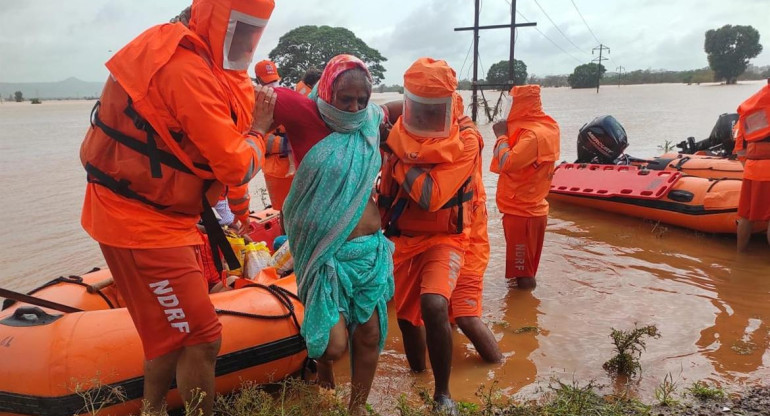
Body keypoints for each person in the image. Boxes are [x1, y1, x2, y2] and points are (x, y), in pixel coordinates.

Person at [79, 0, 275, 414]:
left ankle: (151, 412)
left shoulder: (199, 65)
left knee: (169, 334)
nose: (245, 42)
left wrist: (242, 216)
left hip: (157, 216)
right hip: (140, 222)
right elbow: (236, 163)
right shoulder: (184, 69)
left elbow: (214, 164)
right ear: (211, 21)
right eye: (239, 30)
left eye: (252, 32)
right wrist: (260, 131)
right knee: (203, 336)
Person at [271, 54, 394, 416]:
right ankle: (324, 372)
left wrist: (448, 115)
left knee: (370, 336)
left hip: (369, 252)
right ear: (326, 89)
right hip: (326, 256)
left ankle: (356, 409)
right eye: (346, 99)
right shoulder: (303, 115)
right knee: (333, 346)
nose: (355, 107)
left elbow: (409, 106)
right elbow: (242, 94)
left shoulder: (370, 121)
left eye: (362, 99)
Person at [378, 57, 481, 414]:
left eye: (432, 110)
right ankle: (417, 376)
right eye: (417, 108)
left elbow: (431, 196)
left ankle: (443, 394)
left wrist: (396, 151)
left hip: (445, 237)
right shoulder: (397, 119)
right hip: (402, 239)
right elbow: (375, 113)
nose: (423, 118)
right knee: (407, 321)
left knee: (435, 304)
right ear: (409, 102)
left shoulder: (466, 139)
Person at [490, 85, 560, 290]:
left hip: (522, 212)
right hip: (530, 208)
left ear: (521, 104)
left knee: (524, 274)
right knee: (522, 270)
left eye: (512, 102)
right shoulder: (547, 127)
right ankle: (521, 306)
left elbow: (508, 163)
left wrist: (501, 136)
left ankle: (522, 313)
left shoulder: (531, 135)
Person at [449, 106, 502, 364]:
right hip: (447, 245)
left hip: (468, 249)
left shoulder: (464, 142)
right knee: (444, 315)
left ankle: (498, 367)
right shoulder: (443, 139)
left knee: (466, 316)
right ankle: (448, 364)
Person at [735, 79, 770, 252]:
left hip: (752, 168)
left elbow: (740, 147)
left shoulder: (748, 106)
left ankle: (739, 257)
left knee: (746, 216)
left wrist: (747, 166)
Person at [255, 60, 295, 211]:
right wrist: (287, 144)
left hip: (294, 168)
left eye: (274, 81)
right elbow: (258, 139)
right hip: (274, 170)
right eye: (268, 82)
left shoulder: (287, 97)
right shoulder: (253, 103)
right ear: (258, 80)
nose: (273, 85)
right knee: (283, 211)